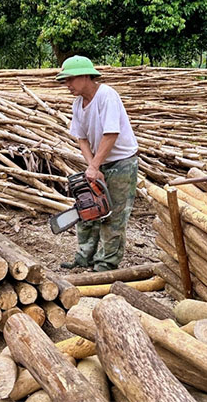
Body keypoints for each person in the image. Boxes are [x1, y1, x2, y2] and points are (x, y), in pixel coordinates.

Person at [57, 55, 139, 272]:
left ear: (85, 76)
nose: (67, 85)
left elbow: (111, 134)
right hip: (99, 162)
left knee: (114, 216)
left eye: (70, 80)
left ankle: (106, 263)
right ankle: (85, 256)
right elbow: (81, 138)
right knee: (88, 210)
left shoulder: (106, 96)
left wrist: (95, 166)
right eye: (65, 81)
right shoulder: (78, 104)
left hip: (121, 163)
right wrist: (92, 166)